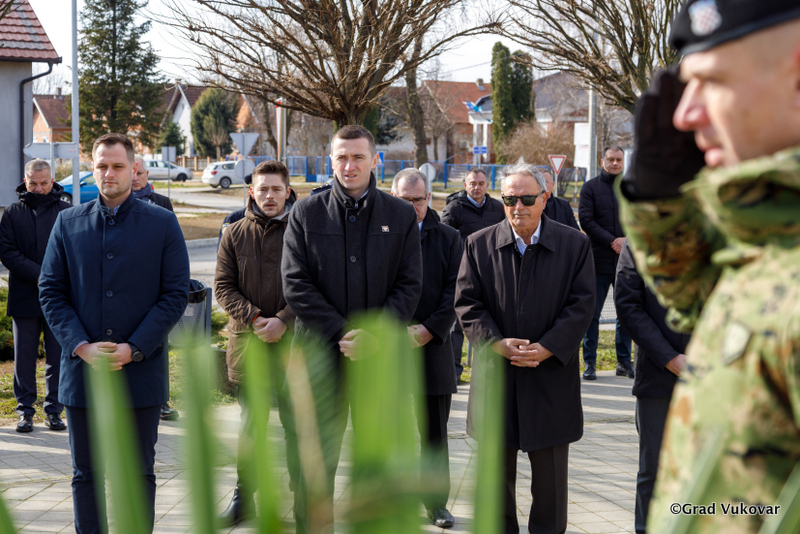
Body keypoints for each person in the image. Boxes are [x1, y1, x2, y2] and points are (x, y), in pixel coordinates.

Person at [618, 2, 800, 531]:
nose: (685, 115)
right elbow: (703, 303)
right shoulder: (771, 241)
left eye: (714, 81)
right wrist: (660, 203)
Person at [39, 133, 190, 534]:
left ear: (133, 168)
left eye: (118, 166)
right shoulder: (67, 223)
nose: (109, 173)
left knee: (138, 473)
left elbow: (175, 293)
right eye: (102, 165)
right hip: (82, 372)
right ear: (92, 168)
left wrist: (134, 348)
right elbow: (50, 291)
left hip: (140, 372)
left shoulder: (162, 223)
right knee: (86, 474)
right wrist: (81, 346)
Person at [282, 125, 422, 533]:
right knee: (313, 466)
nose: (349, 165)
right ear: (330, 160)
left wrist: (375, 335)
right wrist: (340, 332)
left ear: (375, 160)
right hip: (318, 361)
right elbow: (295, 283)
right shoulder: (305, 213)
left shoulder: (400, 215)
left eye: (358, 157)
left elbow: (410, 284)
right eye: (341, 157)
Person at [455, 159, 595, 534]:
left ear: (545, 199)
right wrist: (496, 343)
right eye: (509, 199)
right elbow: (467, 305)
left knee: (550, 488)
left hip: (550, 380)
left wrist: (549, 346)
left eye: (527, 199)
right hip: (496, 380)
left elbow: (582, 305)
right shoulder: (478, 244)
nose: (518, 207)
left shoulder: (575, 244)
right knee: (495, 487)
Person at [215, 160, 296, 527]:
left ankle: (302, 496)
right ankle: (243, 498)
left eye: (276, 189)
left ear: (288, 192)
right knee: (252, 428)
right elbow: (222, 286)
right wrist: (255, 317)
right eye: (263, 189)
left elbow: (315, 285)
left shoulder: (303, 231)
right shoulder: (233, 233)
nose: (269, 195)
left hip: (294, 347)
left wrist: (283, 320)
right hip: (250, 344)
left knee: (297, 426)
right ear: (251, 191)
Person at [391, 168, 462, 529]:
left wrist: (429, 329)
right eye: (404, 200)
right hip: (389, 347)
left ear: (429, 199)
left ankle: (436, 503)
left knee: (434, 432)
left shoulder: (449, 238)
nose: (411, 207)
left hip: (433, 347)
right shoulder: (379, 236)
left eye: (417, 200)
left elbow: (457, 291)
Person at [614, 240, 690, 534]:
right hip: (657, 378)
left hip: (714, 377)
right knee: (654, 470)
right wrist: (669, 358)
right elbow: (628, 305)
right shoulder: (639, 242)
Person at [0, 159, 72, 433]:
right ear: (25, 181)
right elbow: (7, 252)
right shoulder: (12, 213)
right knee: (24, 357)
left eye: (44, 183)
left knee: (58, 356)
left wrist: (52, 278)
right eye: (33, 183)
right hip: (24, 296)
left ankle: (54, 410)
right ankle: (25, 411)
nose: (39, 188)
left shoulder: (67, 212)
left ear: (52, 181)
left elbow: (74, 251)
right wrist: (40, 275)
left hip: (60, 298)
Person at [441, 168, 505, 382]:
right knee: (457, 326)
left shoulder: (498, 208)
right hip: (464, 274)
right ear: (465, 186)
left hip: (493, 275)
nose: (477, 187)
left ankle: (489, 373)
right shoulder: (454, 209)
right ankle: (454, 372)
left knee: (489, 324)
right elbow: (445, 242)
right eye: (472, 183)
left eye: (481, 183)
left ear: (487, 185)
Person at [578, 146, 633, 380]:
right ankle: (590, 363)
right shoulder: (590, 188)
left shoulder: (631, 188)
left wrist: (626, 241)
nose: (615, 163)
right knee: (592, 314)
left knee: (626, 313)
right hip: (598, 261)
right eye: (610, 159)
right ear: (602, 161)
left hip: (626, 262)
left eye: (618, 159)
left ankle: (624, 362)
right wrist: (612, 241)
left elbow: (641, 218)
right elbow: (586, 220)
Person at [132, 154, 180, 422]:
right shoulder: (116, 205)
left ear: (147, 175)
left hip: (155, 289)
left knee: (158, 346)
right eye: (132, 173)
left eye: (140, 173)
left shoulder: (162, 203)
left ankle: (161, 400)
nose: (135, 178)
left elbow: (172, 246)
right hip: (127, 289)